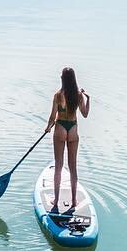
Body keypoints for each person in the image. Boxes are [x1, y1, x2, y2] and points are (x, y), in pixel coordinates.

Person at [45, 66, 90, 217]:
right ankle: (74, 200)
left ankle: (56, 200)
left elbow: (53, 116)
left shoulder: (58, 95)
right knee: (73, 166)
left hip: (60, 128)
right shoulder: (78, 95)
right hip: (73, 129)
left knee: (58, 166)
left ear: (63, 79)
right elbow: (84, 114)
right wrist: (88, 99)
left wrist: (48, 127)